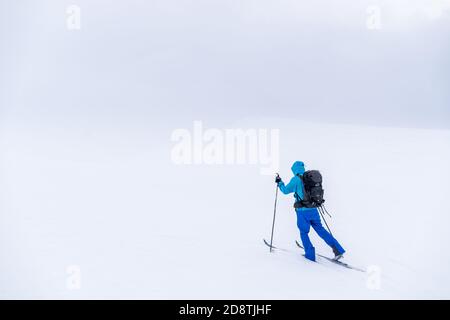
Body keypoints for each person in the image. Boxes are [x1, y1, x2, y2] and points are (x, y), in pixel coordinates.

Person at [276, 161, 345, 262]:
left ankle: (310, 255)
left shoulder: (296, 179)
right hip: (314, 209)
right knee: (321, 230)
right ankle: (338, 250)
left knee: (304, 232)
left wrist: (279, 182)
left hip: (302, 212)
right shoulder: (311, 177)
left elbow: (285, 190)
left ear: (294, 169)